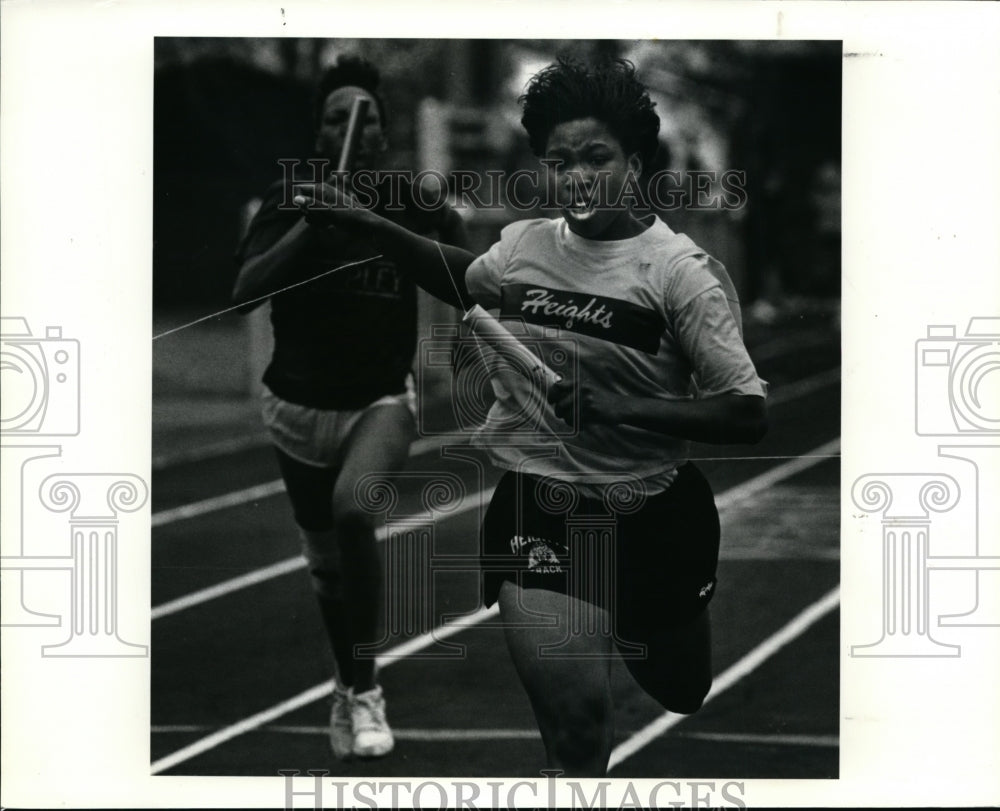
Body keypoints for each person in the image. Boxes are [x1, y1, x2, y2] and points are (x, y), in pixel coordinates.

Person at [292, 56, 767, 776]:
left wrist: (621, 407)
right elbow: (456, 273)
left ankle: (640, 610)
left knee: (681, 687)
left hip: (654, 515)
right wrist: (370, 223)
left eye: (595, 158)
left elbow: (745, 412)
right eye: (559, 160)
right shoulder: (525, 247)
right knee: (577, 731)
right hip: (542, 506)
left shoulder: (680, 273)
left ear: (634, 162)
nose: (575, 176)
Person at [232, 55, 468, 760]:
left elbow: (466, 271)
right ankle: (347, 684)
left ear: (382, 134)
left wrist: (383, 231)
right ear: (319, 131)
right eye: (336, 116)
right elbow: (243, 289)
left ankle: (366, 692)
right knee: (327, 568)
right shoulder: (289, 199)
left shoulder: (407, 197)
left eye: (364, 118)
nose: (350, 128)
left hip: (381, 400)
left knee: (355, 511)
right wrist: (313, 224)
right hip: (295, 405)